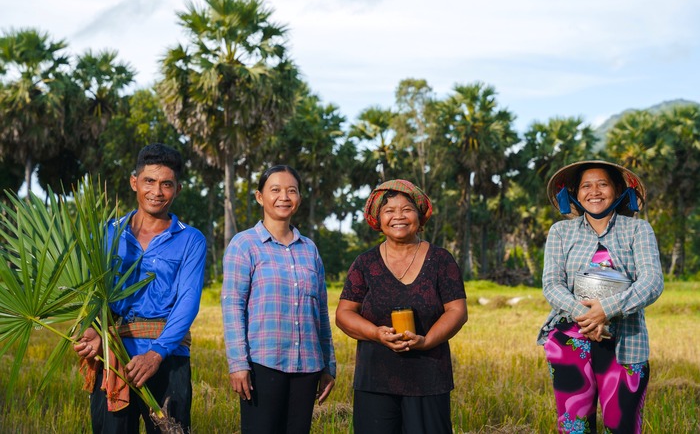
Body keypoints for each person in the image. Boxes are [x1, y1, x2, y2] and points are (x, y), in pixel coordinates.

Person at [73, 143, 207, 433]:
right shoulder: (109, 233)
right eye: (149, 181)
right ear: (135, 182)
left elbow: (188, 303)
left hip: (169, 359)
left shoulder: (191, 240)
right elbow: (94, 295)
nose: (156, 192)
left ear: (177, 189)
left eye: (166, 184)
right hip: (115, 353)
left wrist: (157, 353)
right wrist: (94, 329)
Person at [537, 160, 664, 433]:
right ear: (575, 193)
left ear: (617, 190)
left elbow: (652, 282)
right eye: (586, 185)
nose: (594, 191)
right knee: (574, 426)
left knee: (622, 425)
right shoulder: (561, 231)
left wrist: (605, 309)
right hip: (571, 340)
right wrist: (586, 315)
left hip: (626, 343)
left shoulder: (638, 230)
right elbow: (551, 284)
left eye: (602, 184)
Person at [336, 179, 468, 434]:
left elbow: (457, 311)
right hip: (375, 380)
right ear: (378, 219)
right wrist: (376, 333)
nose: (398, 216)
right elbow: (344, 314)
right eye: (389, 211)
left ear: (419, 215)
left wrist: (426, 341)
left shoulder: (441, 260)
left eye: (407, 209)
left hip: (429, 378)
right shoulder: (365, 263)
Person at [221, 165, 336, 434]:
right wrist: (238, 364)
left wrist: (328, 364)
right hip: (263, 364)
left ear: (298, 198)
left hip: (307, 366)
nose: (284, 196)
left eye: (291, 190)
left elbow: (320, 312)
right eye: (275, 190)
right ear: (260, 197)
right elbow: (232, 306)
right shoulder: (244, 244)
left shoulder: (309, 249)